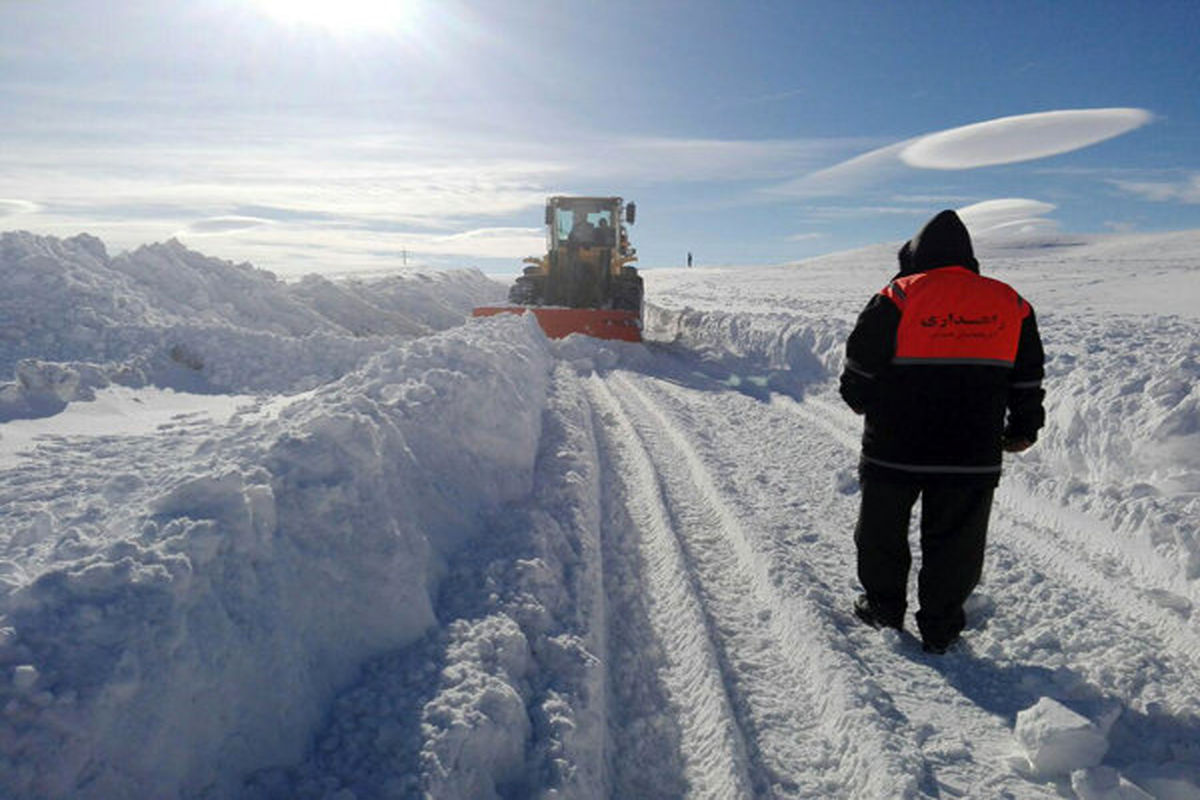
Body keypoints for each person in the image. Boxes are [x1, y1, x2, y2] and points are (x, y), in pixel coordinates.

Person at [839, 209, 1045, 654]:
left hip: (895, 447)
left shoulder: (899, 294)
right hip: (971, 451)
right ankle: (941, 624)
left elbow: (860, 362)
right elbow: (1027, 376)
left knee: (881, 532)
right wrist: (1024, 426)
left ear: (914, 254)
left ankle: (883, 607)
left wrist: (861, 401)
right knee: (957, 541)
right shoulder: (1010, 302)